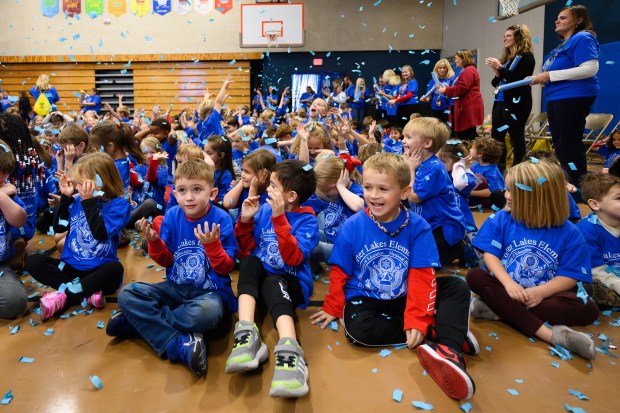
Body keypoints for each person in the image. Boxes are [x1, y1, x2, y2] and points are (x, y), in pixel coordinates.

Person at [310, 152, 477, 400]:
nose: (373, 195)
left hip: (406, 293)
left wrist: (416, 319)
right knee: (357, 331)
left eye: (383, 189)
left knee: (456, 287)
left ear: (404, 192)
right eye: (367, 187)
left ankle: (449, 350)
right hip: (367, 297)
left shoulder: (418, 226)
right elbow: (340, 271)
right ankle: (439, 329)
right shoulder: (353, 226)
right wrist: (334, 307)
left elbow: (422, 277)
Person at [107, 160, 237, 376]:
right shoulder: (173, 216)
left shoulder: (221, 219)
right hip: (175, 288)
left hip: (209, 293)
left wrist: (212, 246)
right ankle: (177, 343)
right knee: (128, 294)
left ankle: (138, 323)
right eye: (183, 190)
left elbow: (225, 268)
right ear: (175, 194)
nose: (189, 197)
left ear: (212, 193)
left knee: (206, 314)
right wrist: (154, 243)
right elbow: (168, 261)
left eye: (197, 189)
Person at [467, 161, 599, 359]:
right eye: (507, 189)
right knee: (475, 276)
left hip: (544, 295)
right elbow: (490, 256)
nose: (506, 195)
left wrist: (540, 292)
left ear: (539, 197)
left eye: (513, 191)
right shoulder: (501, 219)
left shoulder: (570, 233)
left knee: (589, 310)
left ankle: (499, 310)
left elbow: (569, 275)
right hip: (506, 288)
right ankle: (550, 335)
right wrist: (509, 284)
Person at [226, 160, 319, 398]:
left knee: (272, 281)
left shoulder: (307, 220)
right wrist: (245, 220)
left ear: (291, 196)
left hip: (290, 282)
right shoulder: (265, 209)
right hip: (265, 274)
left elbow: (294, 258)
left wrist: (279, 218)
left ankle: (290, 349)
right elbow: (247, 249)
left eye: (274, 186)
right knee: (248, 263)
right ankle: (246, 332)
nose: (268, 189)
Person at [25, 152, 131, 320]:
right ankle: (85, 293)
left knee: (115, 269)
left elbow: (101, 234)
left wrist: (88, 202)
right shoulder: (77, 200)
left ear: (101, 181)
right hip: (70, 269)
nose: (78, 187)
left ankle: (65, 296)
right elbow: (60, 227)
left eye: (82, 183)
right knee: (33, 261)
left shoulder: (119, 205)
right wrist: (66, 198)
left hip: (99, 270)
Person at [530, 5, 599, 187]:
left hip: (573, 96)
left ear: (578, 20)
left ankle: (578, 186)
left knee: (569, 143)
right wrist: (542, 78)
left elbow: (590, 69)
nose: (557, 20)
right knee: (560, 145)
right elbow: (557, 72)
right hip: (557, 97)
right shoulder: (563, 45)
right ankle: (569, 182)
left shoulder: (582, 37)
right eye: (557, 18)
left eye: (563, 18)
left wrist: (550, 75)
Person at [402, 117, 465, 266]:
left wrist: (409, 169)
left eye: (409, 137)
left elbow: (414, 197)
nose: (403, 141)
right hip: (427, 224)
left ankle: (459, 249)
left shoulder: (433, 168)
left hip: (443, 228)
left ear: (427, 143)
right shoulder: (418, 162)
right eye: (404, 136)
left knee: (426, 264)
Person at [485, 24, 535, 170]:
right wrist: (497, 71)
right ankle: (499, 170)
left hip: (516, 103)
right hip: (500, 101)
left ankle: (518, 169)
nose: (504, 39)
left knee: (516, 137)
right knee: (497, 138)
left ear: (518, 37)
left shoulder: (526, 56)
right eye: (504, 36)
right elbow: (497, 83)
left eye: (508, 36)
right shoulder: (508, 57)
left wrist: (500, 68)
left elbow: (518, 80)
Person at [577, 173, 620, 307]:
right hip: (597, 275)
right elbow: (596, 271)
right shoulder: (586, 230)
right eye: (619, 198)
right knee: (589, 286)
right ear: (595, 204)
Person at [0, 139, 29, 318]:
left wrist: (2, 198)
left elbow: (19, 220)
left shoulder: (6, 193)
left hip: (1, 266)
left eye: (3, 181)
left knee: (15, 302)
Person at [437, 50, 484, 141]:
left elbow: (461, 88)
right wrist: (446, 89)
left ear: (463, 59)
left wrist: (446, 90)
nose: (455, 61)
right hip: (465, 106)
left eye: (457, 59)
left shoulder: (469, 70)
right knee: (464, 133)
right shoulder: (465, 71)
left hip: (468, 106)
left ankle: (473, 152)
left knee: (467, 134)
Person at [467, 136, 506, 209]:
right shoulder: (475, 165)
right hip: (478, 195)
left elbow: (491, 192)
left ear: (480, 154)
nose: (470, 149)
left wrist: (470, 193)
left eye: (472, 148)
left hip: (489, 199)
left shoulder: (492, 171)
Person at [420, 59, 455, 124]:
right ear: (437, 69)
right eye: (440, 68)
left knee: (447, 130)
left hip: (447, 109)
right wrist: (426, 99)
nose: (442, 70)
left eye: (444, 68)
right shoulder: (432, 81)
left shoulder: (451, 80)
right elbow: (430, 95)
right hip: (434, 109)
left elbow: (454, 94)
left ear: (448, 69)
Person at [204, 135, 235, 204]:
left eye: (209, 153)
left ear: (221, 155)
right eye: (204, 152)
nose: (205, 156)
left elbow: (222, 201)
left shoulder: (226, 175)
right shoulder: (203, 169)